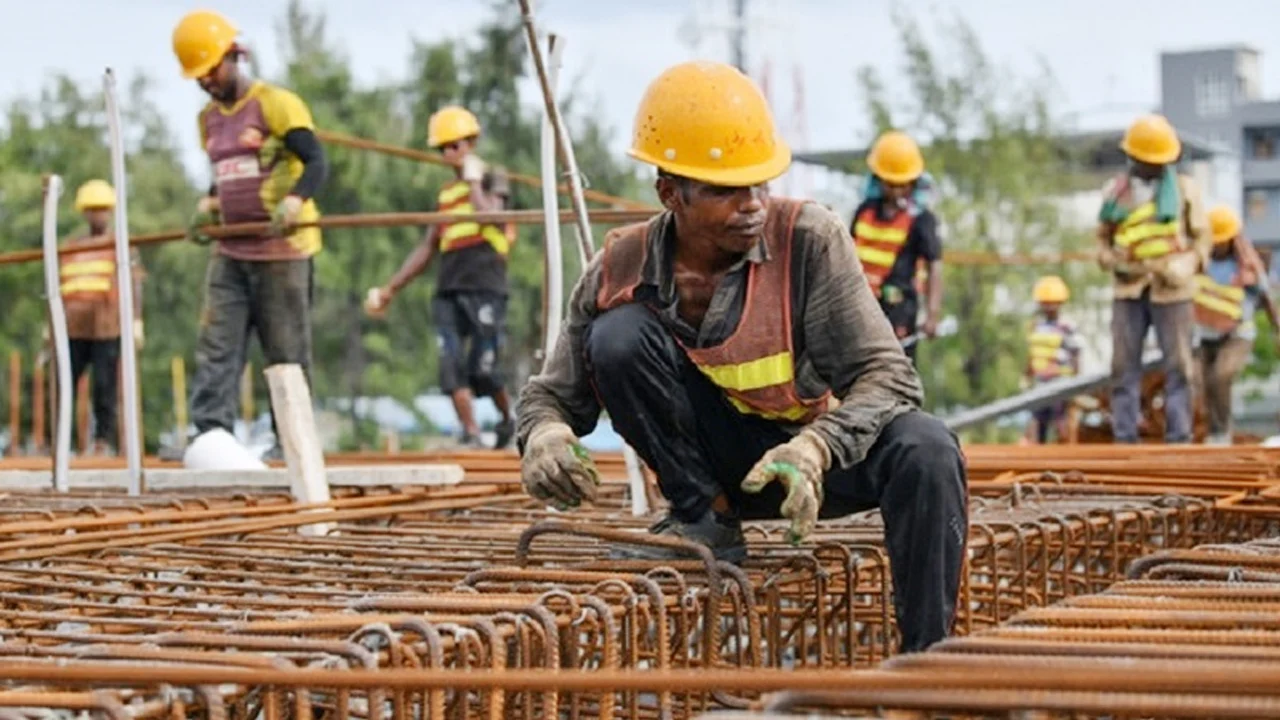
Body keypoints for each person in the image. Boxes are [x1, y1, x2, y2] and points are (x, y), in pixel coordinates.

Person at [515, 60, 968, 653]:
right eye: (727, 191)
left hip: (802, 469)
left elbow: (889, 377)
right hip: (712, 469)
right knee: (617, 336)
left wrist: (815, 446)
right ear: (670, 193)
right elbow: (553, 392)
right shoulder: (620, 268)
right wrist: (544, 434)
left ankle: (927, 659)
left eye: (760, 185)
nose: (752, 204)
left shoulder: (809, 241)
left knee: (929, 448)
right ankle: (706, 518)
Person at [171, 9, 328, 458]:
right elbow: (224, 176)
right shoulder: (208, 121)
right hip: (231, 250)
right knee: (217, 345)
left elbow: (316, 162)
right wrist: (208, 205)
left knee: (286, 350)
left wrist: (296, 200)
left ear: (233, 56)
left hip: (283, 251)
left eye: (211, 71)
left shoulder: (276, 104)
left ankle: (291, 443)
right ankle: (210, 437)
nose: (207, 82)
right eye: (198, 78)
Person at [365, 105, 516, 449]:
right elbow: (428, 246)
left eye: (455, 145)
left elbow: (490, 217)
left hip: (486, 284)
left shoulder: (493, 178)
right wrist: (391, 288)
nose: (449, 153)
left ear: (471, 143)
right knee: (450, 363)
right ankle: (471, 433)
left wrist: (474, 180)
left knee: (484, 367)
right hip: (450, 286)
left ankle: (509, 420)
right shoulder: (446, 194)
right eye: (443, 148)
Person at [1097, 113, 1210, 444]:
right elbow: (1103, 238)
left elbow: (1202, 238)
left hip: (1172, 290)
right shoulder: (1115, 193)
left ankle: (1179, 436)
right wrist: (1108, 258)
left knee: (1178, 366)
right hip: (1129, 287)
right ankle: (1125, 436)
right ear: (1135, 159)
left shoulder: (1186, 191)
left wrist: (1189, 262)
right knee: (1123, 367)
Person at [57, 179, 144, 456]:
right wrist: (51, 328)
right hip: (72, 327)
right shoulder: (71, 247)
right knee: (63, 384)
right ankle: (59, 441)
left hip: (107, 327)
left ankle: (102, 441)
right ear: (84, 212)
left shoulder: (120, 246)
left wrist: (136, 321)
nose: (98, 215)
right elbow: (57, 288)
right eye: (92, 209)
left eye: (102, 209)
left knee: (105, 387)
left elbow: (134, 284)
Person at [849, 131, 943, 363]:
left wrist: (932, 315)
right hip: (860, 308)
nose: (897, 191)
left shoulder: (921, 219)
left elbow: (934, 266)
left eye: (903, 185)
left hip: (899, 311)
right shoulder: (865, 211)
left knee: (896, 370)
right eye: (890, 184)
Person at [1192, 204, 1278, 445]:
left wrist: (1277, 329)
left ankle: (1222, 433)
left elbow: (1266, 298)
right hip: (1204, 335)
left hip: (1237, 335)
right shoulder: (1199, 262)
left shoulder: (1246, 266)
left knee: (1221, 375)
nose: (1218, 245)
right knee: (1201, 381)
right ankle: (1212, 430)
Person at [1023, 275, 1081, 444]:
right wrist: (1027, 376)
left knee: (1062, 426)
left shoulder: (1067, 327)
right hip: (1040, 385)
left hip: (1061, 384)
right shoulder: (1036, 326)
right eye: (1045, 303)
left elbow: (1076, 354)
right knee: (1037, 425)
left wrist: (1075, 384)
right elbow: (1032, 354)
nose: (1049, 307)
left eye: (1053, 303)